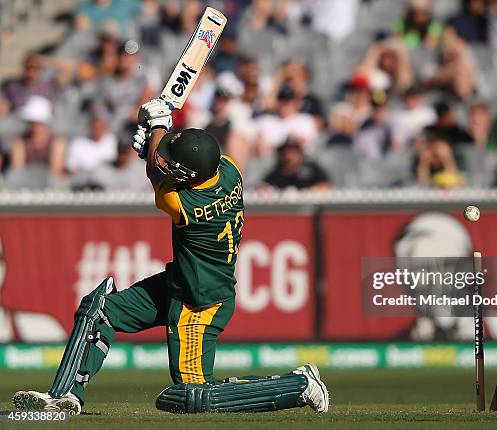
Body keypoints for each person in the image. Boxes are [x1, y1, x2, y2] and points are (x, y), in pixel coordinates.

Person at [12, 99, 329, 415]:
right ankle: (64, 395)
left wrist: (157, 128)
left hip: (200, 302)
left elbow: (155, 170)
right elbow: (166, 165)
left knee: (193, 396)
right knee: (99, 311)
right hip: (181, 282)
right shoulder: (230, 170)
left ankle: (299, 384)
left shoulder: (187, 207)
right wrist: (155, 135)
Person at [264, 137, 330, 190]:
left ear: (299, 153)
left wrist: (306, 192)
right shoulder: (277, 171)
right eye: (284, 152)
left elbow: (325, 185)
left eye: (292, 152)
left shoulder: (311, 168)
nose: (288, 156)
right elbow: (265, 186)